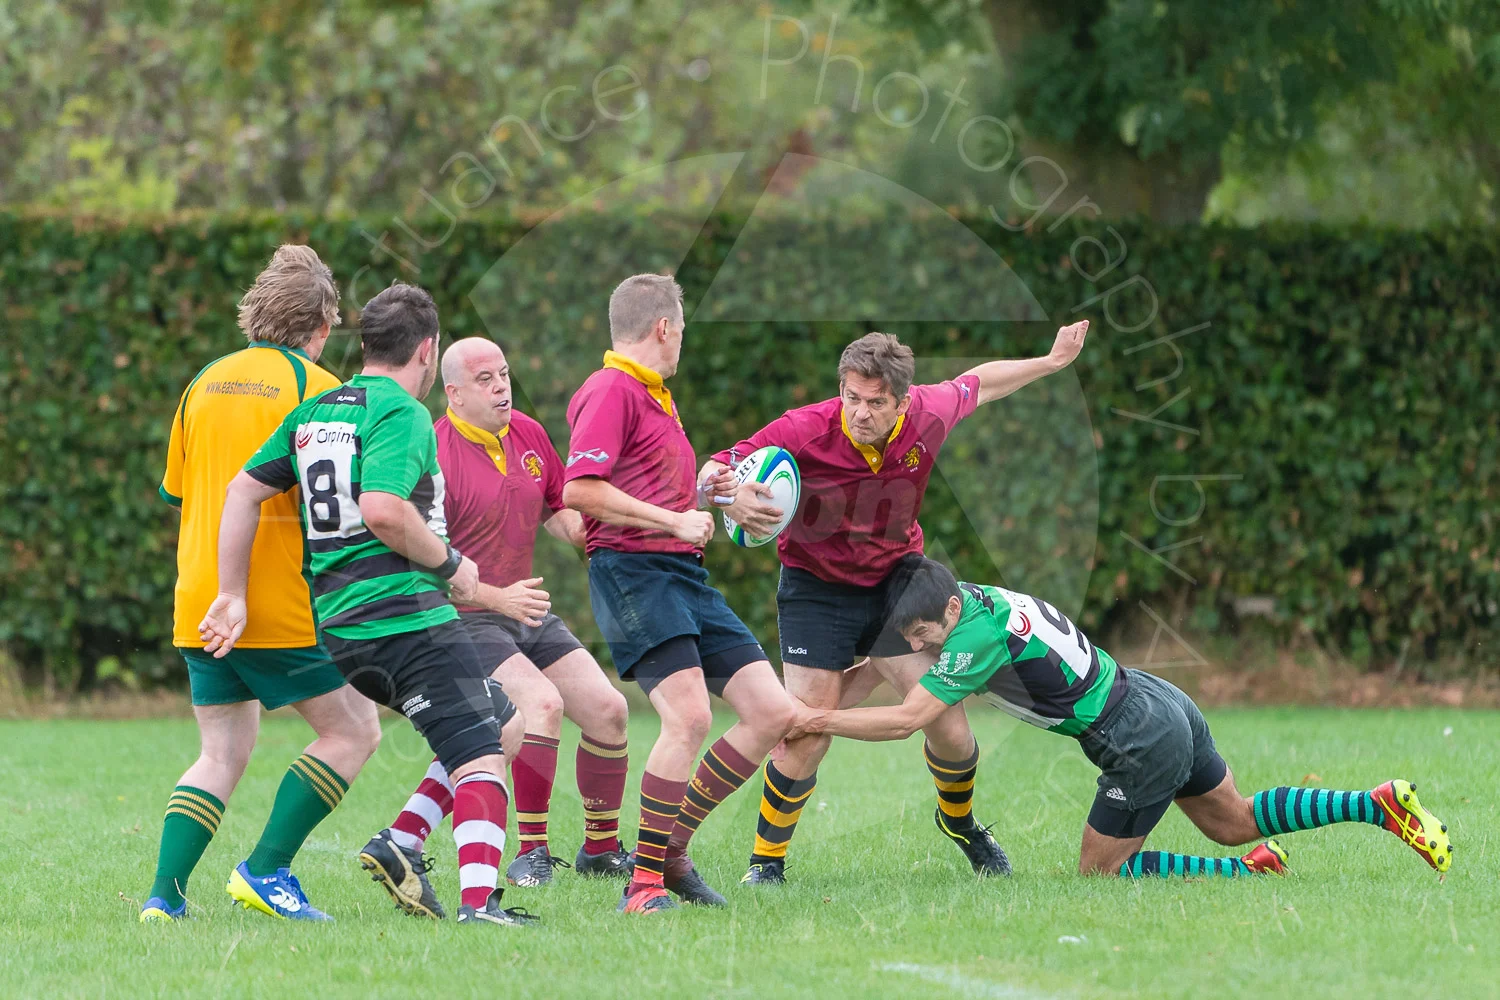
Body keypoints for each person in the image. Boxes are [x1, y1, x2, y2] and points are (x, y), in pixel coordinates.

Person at [697, 323, 1089, 885]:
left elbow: (978, 383)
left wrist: (1050, 362)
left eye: (875, 403)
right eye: (851, 398)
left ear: (902, 400)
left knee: (949, 728)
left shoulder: (927, 415)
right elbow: (714, 468)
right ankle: (766, 863)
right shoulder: (804, 429)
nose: (860, 412)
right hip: (816, 587)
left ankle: (962, 826)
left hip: (896, 585)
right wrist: (726, 496)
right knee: (806, 734)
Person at [199, 282, 538, 928]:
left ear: (365, 345)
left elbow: (241, 492)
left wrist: (231, 593)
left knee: (501, 720)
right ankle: (479, 906)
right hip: (404, 615)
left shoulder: (317, 411)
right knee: (481, 751)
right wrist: (452, 565)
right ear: (429, 352)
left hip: (340, 625)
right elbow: (384, 509)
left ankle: (403, 840)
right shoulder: (403, 413)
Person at [788, 557, 1455, 879]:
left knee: (1096, 875)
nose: (919, 648)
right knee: (1236, 821)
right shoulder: (974, 601)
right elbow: (887, 664)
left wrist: (817, 721)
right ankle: (1378, 805)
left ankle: (1240, 875)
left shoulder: (971, 637)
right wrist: (823, 702)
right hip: (1156, 700)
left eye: (925, 634)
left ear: (951, 615)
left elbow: (908, 719)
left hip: (1133, 738)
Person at [140, 245, 381, 924]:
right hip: (275, 600)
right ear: (323, 323)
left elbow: (179, 493)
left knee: (220, 752)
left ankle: (163, 899)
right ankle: (267, 870)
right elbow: (338, 509)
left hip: (201, 600)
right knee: (355, 731)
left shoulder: (203, 381)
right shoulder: (322, 390)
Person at [358, 336, 632, 916]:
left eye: (504, 374)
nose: (501, 386)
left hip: (521, 607)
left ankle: (602, 850)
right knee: (540, 705)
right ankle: (530, 852)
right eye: (485, 379)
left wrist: (624, 534)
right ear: (452, 392)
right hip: (461, 615)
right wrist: (494, 597)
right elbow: (416, 556)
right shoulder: (431, 450)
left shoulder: (529, 434)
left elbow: (564, 514)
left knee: (610, 711)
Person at [562, 273, 798, 914]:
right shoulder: (610, 388)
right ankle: (642, 889)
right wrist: (672, 520)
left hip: (683, 574)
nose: (682, 342)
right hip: (633, 572)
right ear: (663, 328)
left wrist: (707, 489)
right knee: (689, 717)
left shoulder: (655, 395)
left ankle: (664, 852)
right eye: (682, 331)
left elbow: (652, 490)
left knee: (774, 713)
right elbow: (578, 490)